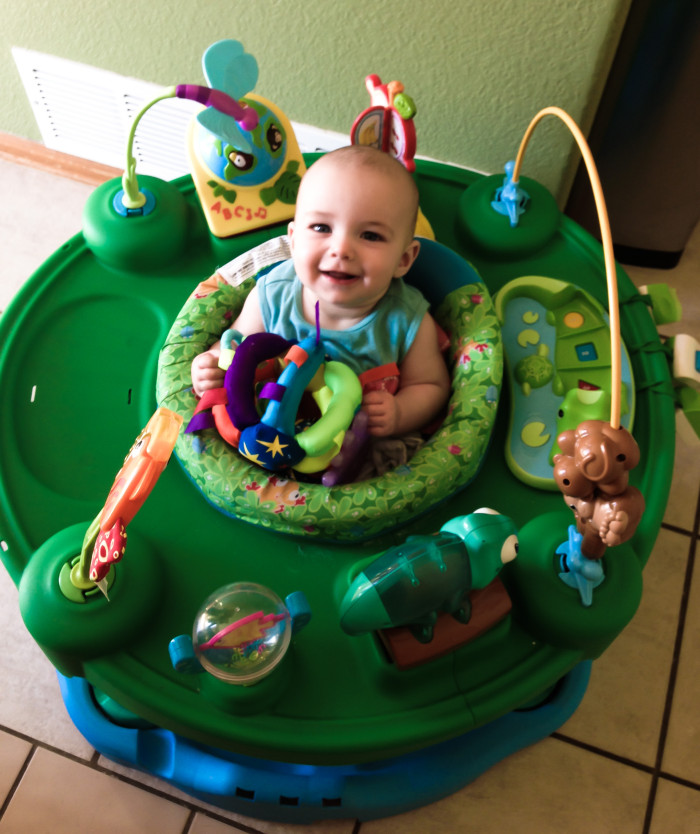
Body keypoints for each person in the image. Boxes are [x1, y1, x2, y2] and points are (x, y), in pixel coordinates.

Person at [191, 144, 450, 439]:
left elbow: (431, 386)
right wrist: (210, 367)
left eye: (370, 235)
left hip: (355, 447)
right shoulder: (274, 296)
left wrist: (400, 412)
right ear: (294, 240)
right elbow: (234, 351)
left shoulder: (407, 319)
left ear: (403, 260)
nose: (341, 249)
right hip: (268, 431)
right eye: (321, 227)